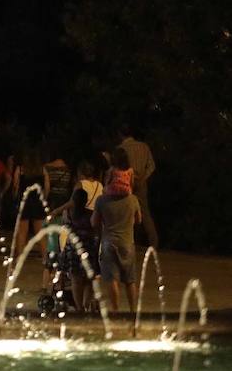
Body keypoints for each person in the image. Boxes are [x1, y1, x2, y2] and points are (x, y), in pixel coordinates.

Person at [93, 174, 142, 320]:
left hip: (108, 243)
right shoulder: (133, 199)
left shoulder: (101, 200)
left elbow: (94, 222)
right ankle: (133, 311)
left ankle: (115, 310)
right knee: (130, 280)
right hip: (127, 243)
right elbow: (139, 219)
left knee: (111, 279)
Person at [117, 125, 157, 248]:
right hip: (141, 182)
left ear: (120, 134)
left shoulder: (121, 149)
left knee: (125, 212)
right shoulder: (144, 147)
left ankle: (128, 242)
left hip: (126, 181)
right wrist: (143, 178)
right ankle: (153, 242)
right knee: (144, 212)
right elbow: (152, 166)